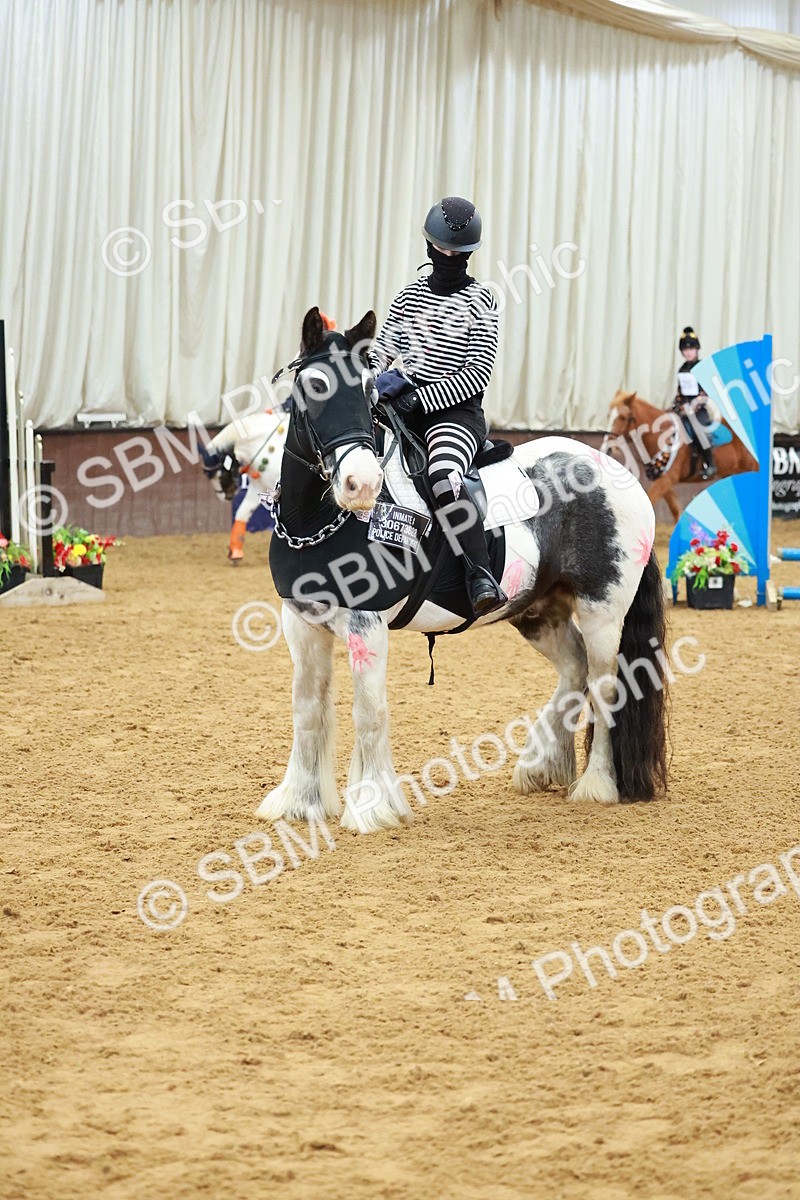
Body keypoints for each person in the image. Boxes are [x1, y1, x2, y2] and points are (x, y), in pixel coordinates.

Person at [367, 196, 506, 616]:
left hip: (455, 414)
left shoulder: (482, 301)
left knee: (443, 475)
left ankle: (480, 574)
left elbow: (477, 375)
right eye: (441, 248)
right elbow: (382, 349)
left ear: (468, 254)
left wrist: (420, 399)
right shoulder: (409, 296)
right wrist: (367, 380)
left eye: (456, 252)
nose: (447, 257)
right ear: (429, 245)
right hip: (402, 410)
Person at [673, 326, 716, 480]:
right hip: (685, 409)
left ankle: (710, 463)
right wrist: (678, 405)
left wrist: (695, 404)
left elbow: (706, 390)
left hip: (700, 409)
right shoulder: (682, 369)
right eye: (685, 350)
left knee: (699, 430)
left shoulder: (702, 367)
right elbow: (680, 391)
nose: (688, 352)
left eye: (691, 349)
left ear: (696, 350)